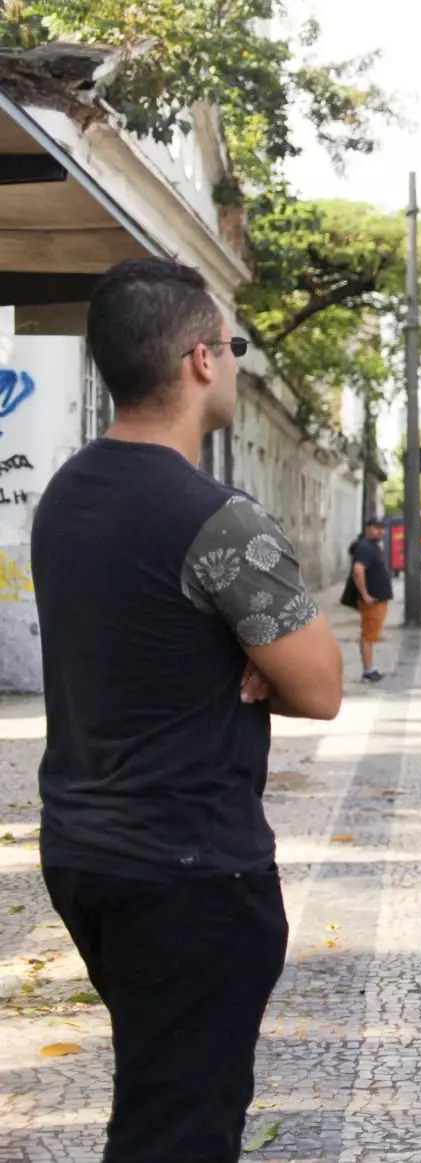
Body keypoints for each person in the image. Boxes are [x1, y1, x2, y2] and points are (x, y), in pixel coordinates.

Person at [31, 257, 344, 1162]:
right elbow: (320, 686)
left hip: (85, 854)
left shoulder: (64, 497)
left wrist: (233, 656)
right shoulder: (219, 520)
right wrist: (249, 660)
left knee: (157, 1090)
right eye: (234, 346)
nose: (239, 365)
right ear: (202, 361)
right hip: (191, 870)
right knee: (181, 1129)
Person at [351, 515, 393, 682]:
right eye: (377, 528)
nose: (381, 531)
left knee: (371, 634)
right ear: (368, 528)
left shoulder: (373, 546)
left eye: (383, 528)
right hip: (373, 600)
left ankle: (370, 668)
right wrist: (365, 594)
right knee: (368, 635)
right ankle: (367, 671)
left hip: (378, 599)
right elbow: (358, 570)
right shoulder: (366, 547)